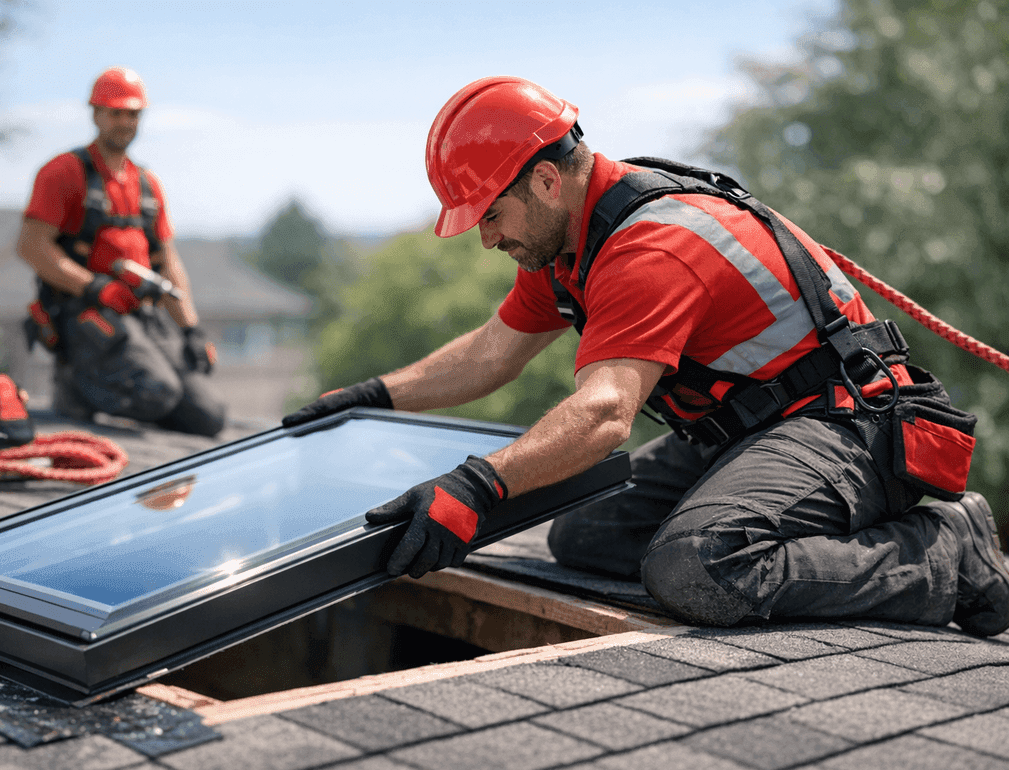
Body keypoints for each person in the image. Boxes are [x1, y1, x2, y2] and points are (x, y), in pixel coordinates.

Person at [283, 75, 1009, 636]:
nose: (488, 239)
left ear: (544, 179)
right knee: (584, 534)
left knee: (698, 569)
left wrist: (474, 487)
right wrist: (371, 398)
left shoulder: (649, 246)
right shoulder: (568, 246)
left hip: (849, 426)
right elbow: (492, 355)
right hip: (756, 433)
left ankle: (943, 550)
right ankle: (816, 523)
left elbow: (605, 415)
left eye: (492, 216)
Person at [17, 66, 225, 437]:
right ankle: (75, 387)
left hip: (143, 316)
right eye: (115, 112)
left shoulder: (147, 184)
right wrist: (95, 288)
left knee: (208, 416)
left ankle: (151, 391)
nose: (124, 122)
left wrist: (191, 329)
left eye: (133, 114)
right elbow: (32, 247)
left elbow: (168, 262)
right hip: (86, 314)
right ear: (95, 113)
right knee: (157, 392)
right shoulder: (64, 172)